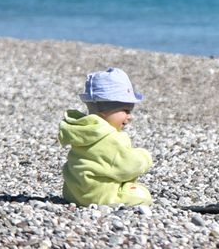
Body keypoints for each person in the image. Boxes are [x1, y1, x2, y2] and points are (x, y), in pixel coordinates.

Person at [59, 67, 153, 207]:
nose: (130, 117)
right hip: (100, 195)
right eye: (126, 111)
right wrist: (145, 157)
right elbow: (127, 166)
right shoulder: (109, 138)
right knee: (142, 195)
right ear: (104, 111)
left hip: (73, 193)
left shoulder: (82, 130)